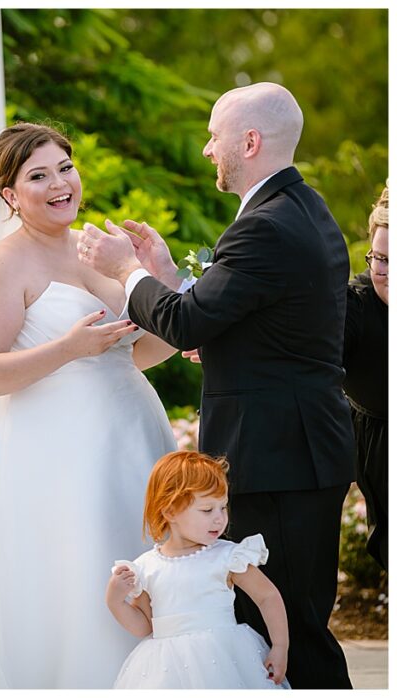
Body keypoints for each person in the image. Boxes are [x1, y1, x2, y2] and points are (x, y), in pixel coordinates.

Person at [81, 82, 355, 688]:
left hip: (281, 457)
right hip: (297, 449)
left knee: (296, 634)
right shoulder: (301, 209)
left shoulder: (266, 225)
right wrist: (168, 275)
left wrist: (125, 269)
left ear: (249, 142)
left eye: (215, 136)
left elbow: (185, 325)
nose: (208, 149)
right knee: (275, 628)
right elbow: (259, 324)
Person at [0, 123, 179, 688]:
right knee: (82, 576)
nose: (60, 184)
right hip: (59, 457)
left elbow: (141, 352)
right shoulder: (3, 265)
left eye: (65, 168)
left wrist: (164, 276)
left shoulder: (99, 252)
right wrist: (68, 349)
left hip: (133, 440)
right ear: (10, 195)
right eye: (38, 176)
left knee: (147, 569)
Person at [107, 451, 289, 689]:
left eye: (223, 508)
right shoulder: (146, 567)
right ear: (170, 511)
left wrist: (279, 647)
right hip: (166, 668)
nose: (219, 518)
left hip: (225, 657)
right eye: (207, 510)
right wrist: (115, 600)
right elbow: (144, 626)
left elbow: (267, 596)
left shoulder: (227, 556)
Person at [343, 185, 388, 570]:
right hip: (381, 447)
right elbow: (303, 350)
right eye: (381, 259)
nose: (387, 273)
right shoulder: (355, 304)